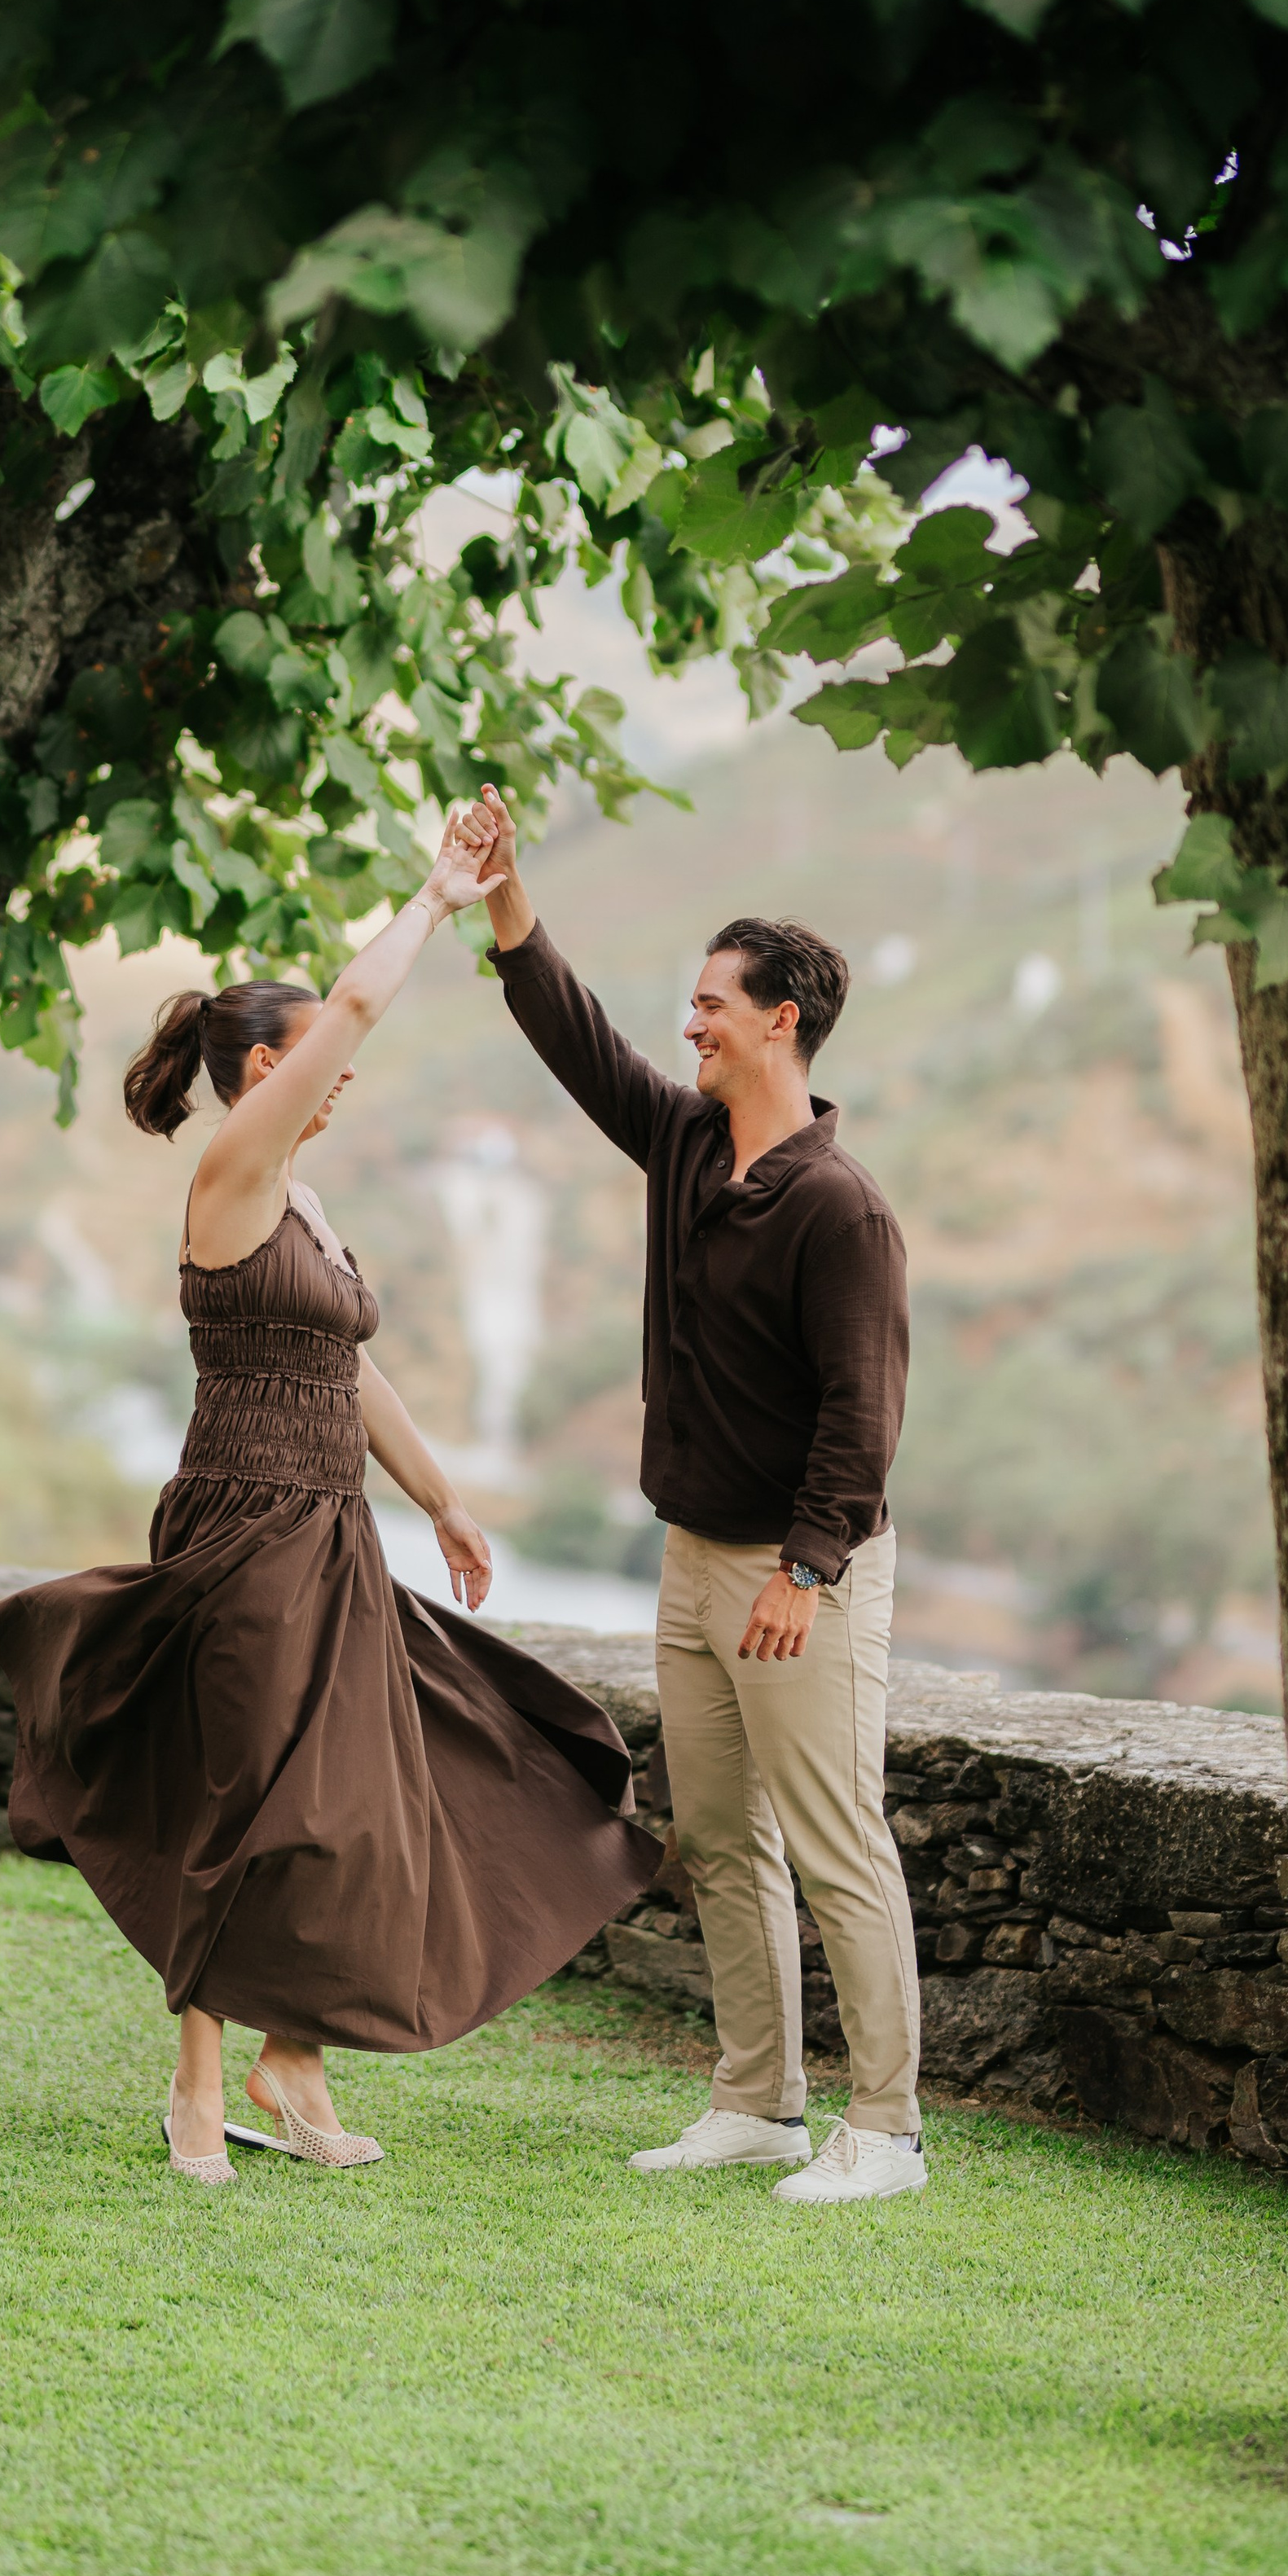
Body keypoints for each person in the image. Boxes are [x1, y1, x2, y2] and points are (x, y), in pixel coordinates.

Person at [0, 813, 658, 2188]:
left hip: (332, 1526)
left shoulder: (312, 1199)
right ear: (265, 1070)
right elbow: (352, 1001)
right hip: (240, 1527)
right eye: (315, 1072)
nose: (339, 1085)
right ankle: (199, 2085)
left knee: (341, 1803)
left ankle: (294, 2060)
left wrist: (445, 1501)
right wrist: (437, 898)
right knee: (244, 1802)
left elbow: (354, 1367)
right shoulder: (232, 1176)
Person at [459, 784, 919, 2207]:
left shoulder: (841, 1209)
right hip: (691, 1558)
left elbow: (865, 1413)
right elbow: (576, 1039)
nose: (693, 1021)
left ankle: (887, 2131)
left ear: (783, 1020)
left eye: (716, 1002)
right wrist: (504, 896)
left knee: (837, 1844)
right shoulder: (681, 1146)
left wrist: (806, 1571)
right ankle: (757, 2104)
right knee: (721, 1839)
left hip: (798, 1577)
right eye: (696, 999)